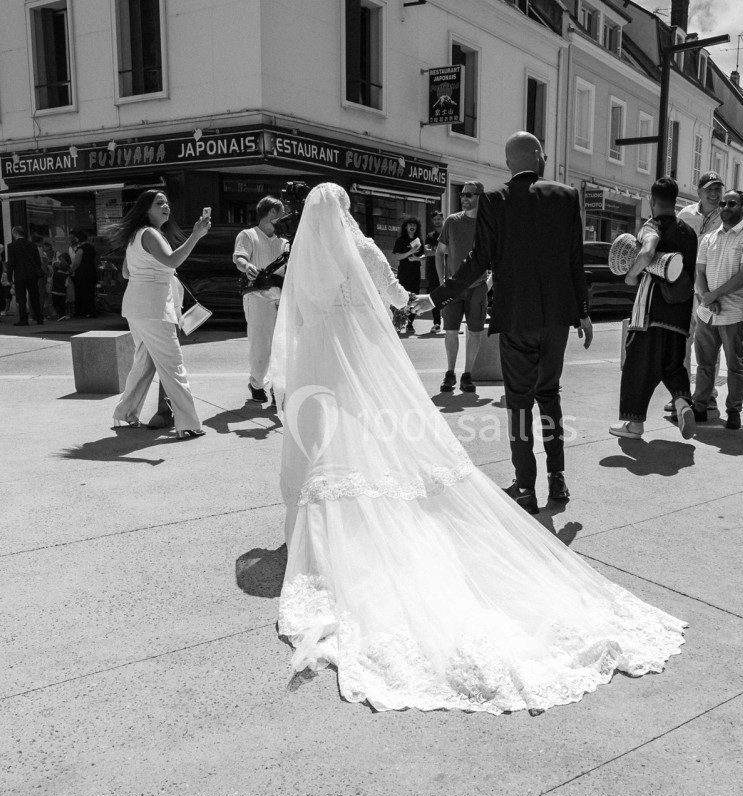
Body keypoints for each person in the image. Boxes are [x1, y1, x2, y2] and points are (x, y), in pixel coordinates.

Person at [268, 183, 685, 714]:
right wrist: (412, 302)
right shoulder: (362, 249)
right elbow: (397, 294)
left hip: (322, 365)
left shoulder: (303, 259)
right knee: (387, 442)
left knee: (330, 449)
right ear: (345, 212)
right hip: (367, 361)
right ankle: (533, 483)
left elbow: (297, 319)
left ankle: (326, 539)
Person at [415, 132, 594, 513]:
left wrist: (436, 297)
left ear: (509, 162)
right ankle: (558, 481)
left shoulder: (495, 202)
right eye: (543, 153)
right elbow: (574, 259)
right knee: (549, 397)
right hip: (557, 320)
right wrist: (583, 311)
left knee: (518, 405)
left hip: (515, 318)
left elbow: (477, 261)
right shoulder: (566, 196)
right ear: (536, 156)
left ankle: (525, 488)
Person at [109, 190, 209, 440]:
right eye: (159, 203)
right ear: (146, 209)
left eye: (167, 202)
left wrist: (152, 274)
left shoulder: (135, 235)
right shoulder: (151, 233)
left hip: (137, 308)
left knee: (144, 362)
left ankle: (126, 412)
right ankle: (187, 424)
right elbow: (173, 261)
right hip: (154, 309)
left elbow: (125, 272)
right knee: (173, 365)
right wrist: (196, 234)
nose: (166, 206)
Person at [610, 177, 699, 441]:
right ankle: (683, 404)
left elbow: (648, 252)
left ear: (652, 200)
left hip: (650, 312)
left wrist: (631, 275)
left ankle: (634, 425)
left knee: (637, 365)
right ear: (675, 200)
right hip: (680, 313)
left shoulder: (653, 225)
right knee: (673, 365)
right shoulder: (690, 234)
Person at [692, 189, 743, 431]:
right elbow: (699, 273)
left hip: (733, 314)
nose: (725, 206)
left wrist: (713, 295)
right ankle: (699, 408)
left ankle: (734, 411)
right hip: (707, 313)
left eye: (732, 203)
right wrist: (705, 297)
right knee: (704, 364)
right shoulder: (709, 238)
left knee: (734, 365)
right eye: (723, 203)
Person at [433, 182, 489, 394]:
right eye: (461, 194)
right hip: (453, 288)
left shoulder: (487, 225)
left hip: (477, 288)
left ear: (479, 197)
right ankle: (450, 373)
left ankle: (467, 375)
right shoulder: (452, 221)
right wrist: (442, 283)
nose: (463, 198)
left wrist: (487, 284)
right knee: (451, 330)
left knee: (474, 332)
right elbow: (440, 252)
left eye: (468, 194)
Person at [234, 196, 288, 404]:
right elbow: (240, 257)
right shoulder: (248, 235)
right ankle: (256, 383)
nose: (284, 217)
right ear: (272, 213)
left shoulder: (284, 243)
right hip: (257, 296)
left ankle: (278, 387)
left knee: (281, 346)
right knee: (261, 345)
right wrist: (246, 266)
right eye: (281, 213)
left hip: (280, 297)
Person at [6, 226, 45, 326]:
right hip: (32, 274)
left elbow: (10, 263)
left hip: (20, 275)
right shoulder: (32, 245)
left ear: (15, 234)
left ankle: (23, 319)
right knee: (34, 297)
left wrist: (9, 277)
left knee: (21, 298)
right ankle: (39, 317)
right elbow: (37, 261)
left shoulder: (11, 246)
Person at [393, 216, 424, 334]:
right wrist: (410, 252)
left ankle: (410, 323)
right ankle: (399, 323)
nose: (412, 227)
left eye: (414, 225)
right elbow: (397, 256)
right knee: (402, 297)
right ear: (406, 227)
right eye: (410, 225)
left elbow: (424, 256)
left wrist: (418, 258)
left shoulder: (419, 240)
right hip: (404, 273)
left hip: (415, 273)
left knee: (414, 298)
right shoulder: (400, 240)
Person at [71, 229, 99, 318]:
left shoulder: (80, 250)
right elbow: (96, 261)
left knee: (81, 293)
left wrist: (70, 270)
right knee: (90, 293)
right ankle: (91, 311)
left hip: (82, 274)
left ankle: (82, 311)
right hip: (91, 272)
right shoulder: (91, 248)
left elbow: (76, 263)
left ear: (78, 238)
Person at [425, 210, 444, 333]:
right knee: (435, 296)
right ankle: (437, 323)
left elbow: (451, 250)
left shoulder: (447, 234)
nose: (437, 221)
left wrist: (435, 249)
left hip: (447, 269)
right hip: (432, 271)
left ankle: (452, 324)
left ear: (442, 219)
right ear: (433, 221)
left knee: (452, 296)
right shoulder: (430, 236)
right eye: (435, 219)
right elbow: (427, 252)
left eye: (439, 219)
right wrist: (441, 250)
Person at [50, 251, 72, 319]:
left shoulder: (56, 274)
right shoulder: (66, 274)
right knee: (62, 304)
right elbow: (67, 283)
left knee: (56, 304)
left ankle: (60, 314)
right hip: (63, 292)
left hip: (55, 291)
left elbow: (52, 282)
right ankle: (63, 314)